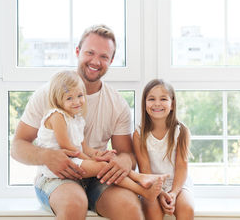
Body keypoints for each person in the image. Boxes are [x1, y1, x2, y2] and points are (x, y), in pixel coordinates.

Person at [12, 24, 144, 220]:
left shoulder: (117, 104)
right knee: (75, 204)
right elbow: (17, 147)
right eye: (90, 52)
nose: (95, 61)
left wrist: (123, 161)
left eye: (104, 56)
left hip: (96, 176)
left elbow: (127, 154)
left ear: (111, 60)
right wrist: (46, 155)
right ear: (77, 51)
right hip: (56, 178)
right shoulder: (48, 94)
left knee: (130, 207)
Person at [37, 70, 166, 201]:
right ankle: (143, 191)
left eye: (80, 96)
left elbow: (84, 147)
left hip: (73, 159)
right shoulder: (57, 116)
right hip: (60, 166)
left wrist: (98, 155)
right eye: (69, 98)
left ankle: (140, 177)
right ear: (57, 99)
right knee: (105, 167)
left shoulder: (76, 119)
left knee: (110, 161)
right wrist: (92, 161)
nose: (76, 102)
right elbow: (68, 147)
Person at [132, 79, 195, 220]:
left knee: (187, 208)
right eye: (151, 99)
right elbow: (145, 169)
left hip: (178, 183)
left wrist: (173, 193)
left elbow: (181, 167)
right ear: (145, 103)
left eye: (163, 99)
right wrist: (159, 193)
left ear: (172, 104)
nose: (157, 103)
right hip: (150, 184)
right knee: (152, 211)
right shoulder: (139, 134)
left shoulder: (181, 131)